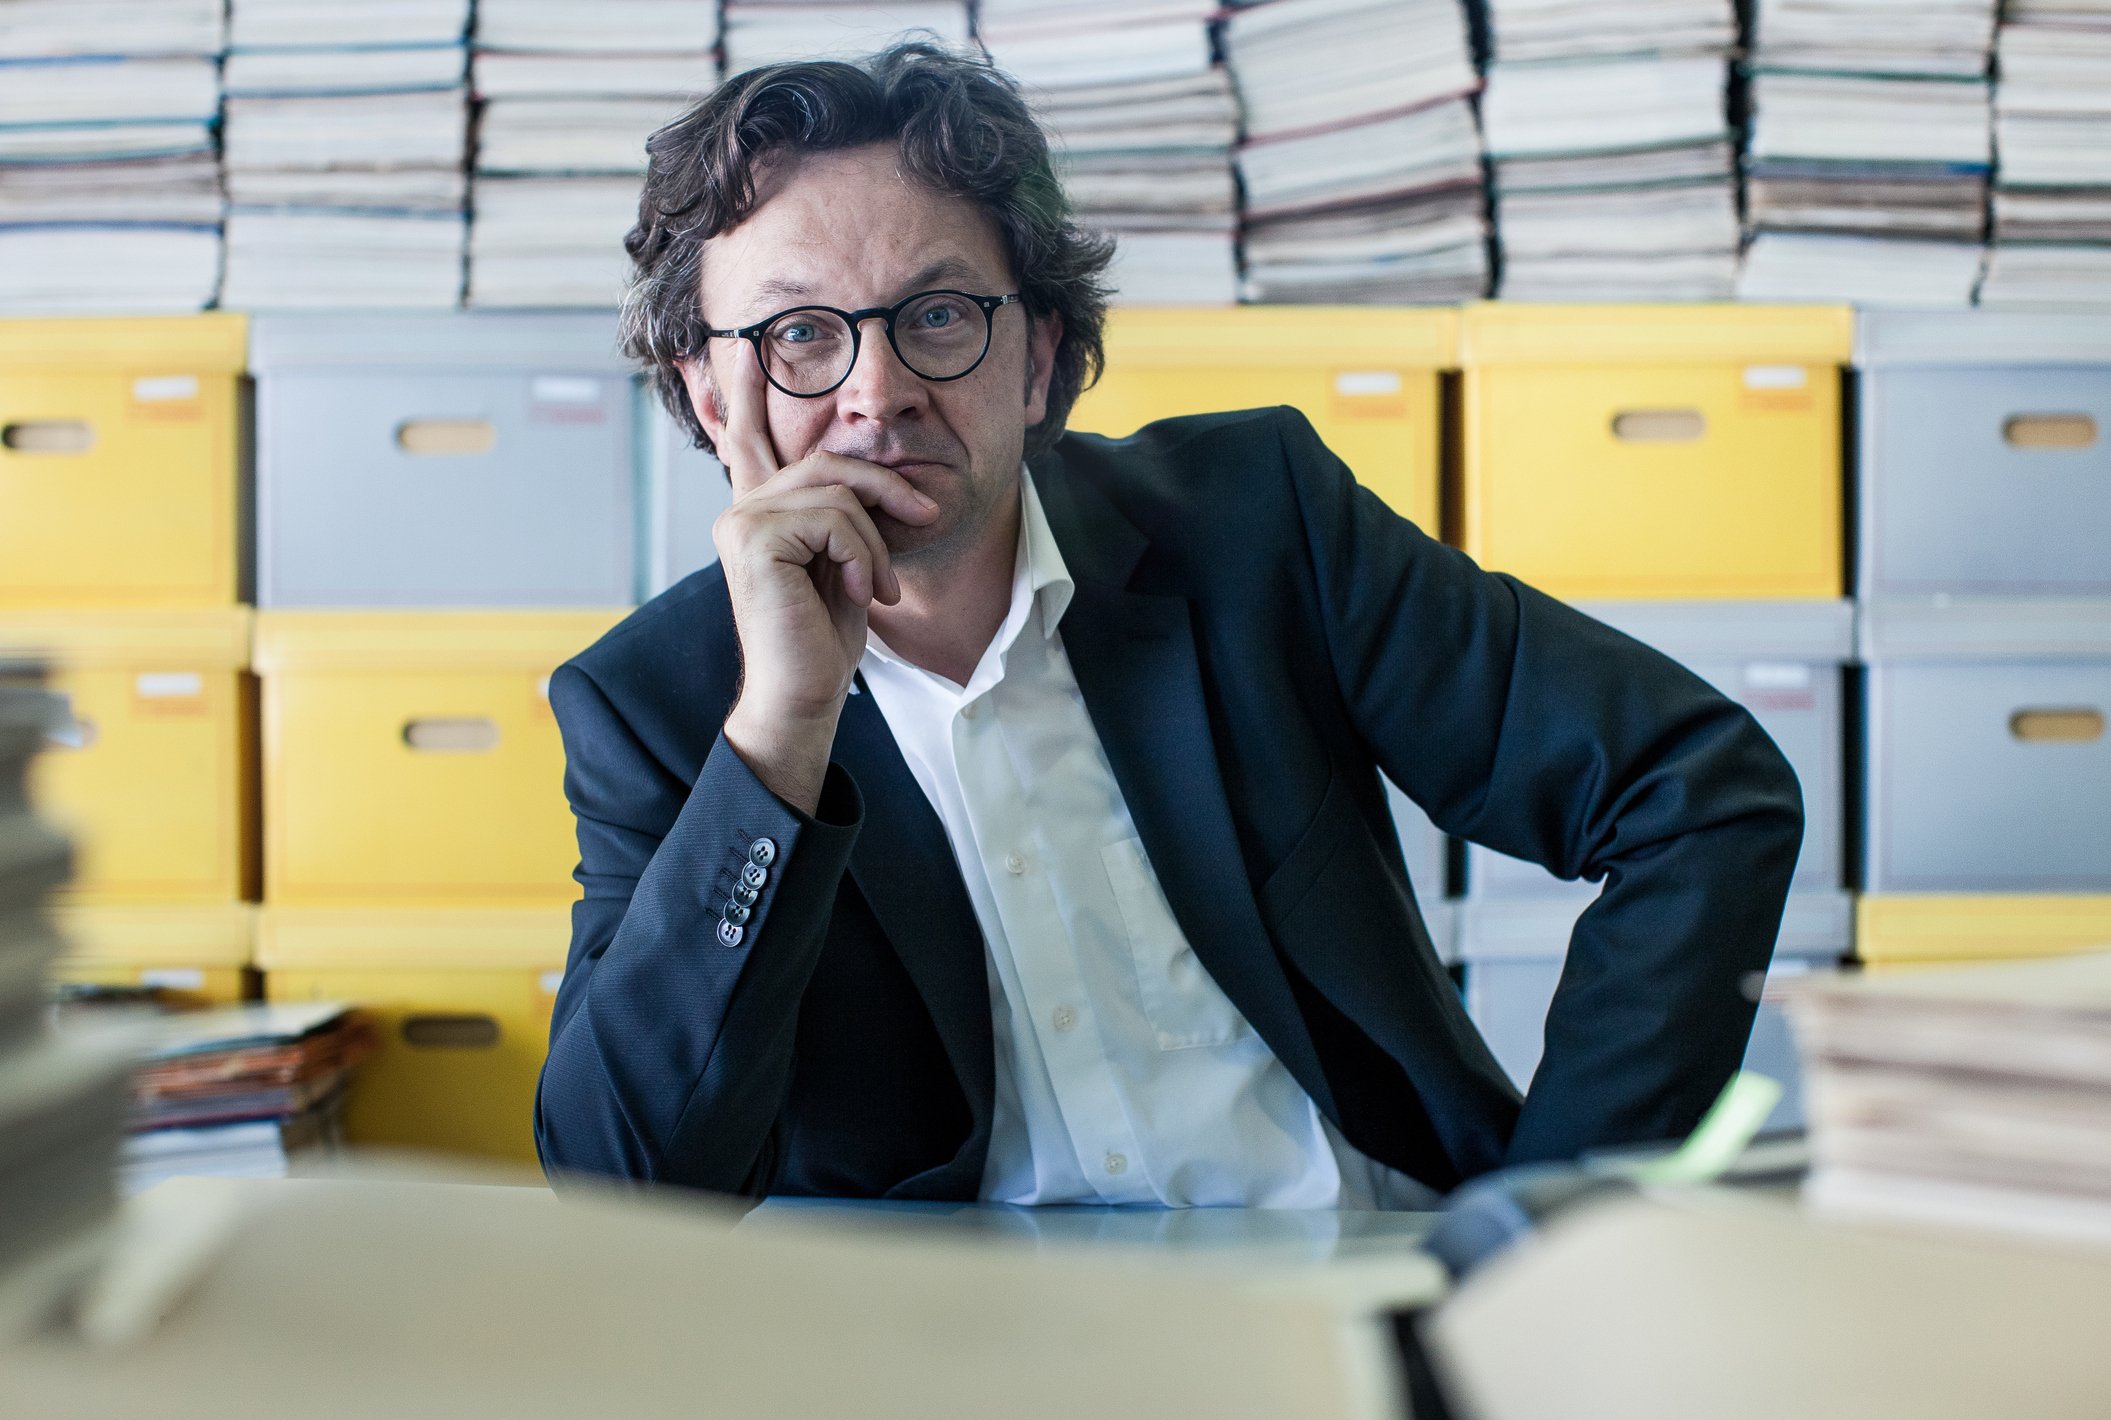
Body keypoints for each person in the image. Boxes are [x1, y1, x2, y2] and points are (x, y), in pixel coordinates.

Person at [534, 42, 1802, 1206]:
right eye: (798, 333)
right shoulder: (654, 705)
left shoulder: (1255, 527)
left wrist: (1561, 1221)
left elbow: (1692, 788)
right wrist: (782, 735)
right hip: (941, 1356)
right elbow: (626, 1186)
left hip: (1347, 1294)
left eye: (936, 315)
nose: (878, 392)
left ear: (1034, 357)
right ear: (707, 394)